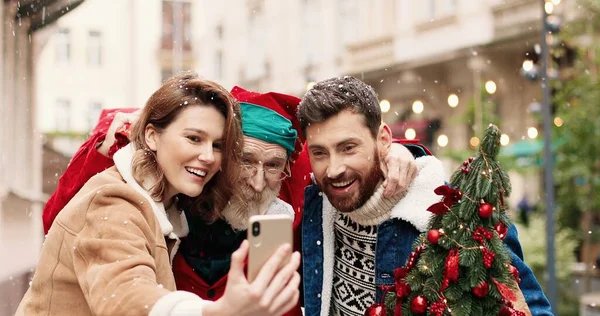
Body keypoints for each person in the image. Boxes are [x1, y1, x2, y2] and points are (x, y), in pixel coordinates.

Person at [17, 72, 301, 315]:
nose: (207, 156)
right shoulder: (114, 200)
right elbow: (126, 296)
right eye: (193, 138)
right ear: (152, 136)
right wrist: (217, 311)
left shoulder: (169, 202)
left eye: (217, 145)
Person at [297, 76, 553, 315]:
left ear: (384, 139)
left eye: (348, 148)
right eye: (320, 153)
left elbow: (531, 308)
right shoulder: (316, 209)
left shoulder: (461, 221)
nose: (333, 169)